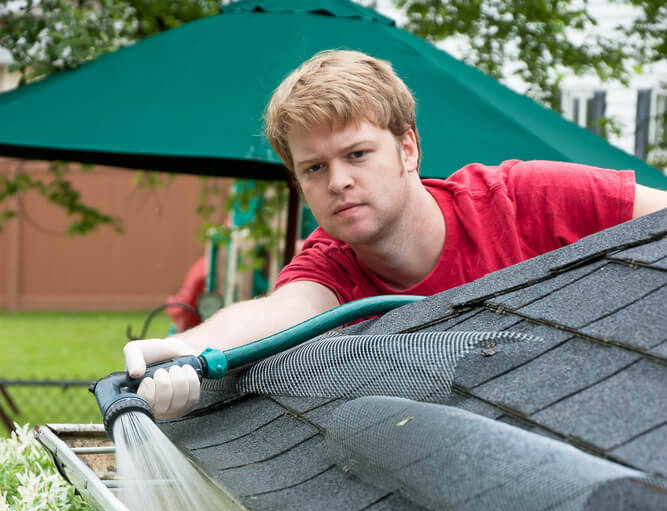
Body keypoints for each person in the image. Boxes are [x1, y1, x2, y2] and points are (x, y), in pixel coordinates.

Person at [125, 49, 667, 420]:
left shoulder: (526, 198)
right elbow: (276, 314)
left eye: (357, 154)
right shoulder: (330, 268)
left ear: (408, 149)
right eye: (314, 168)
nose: (338, 181)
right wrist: (184, 350)